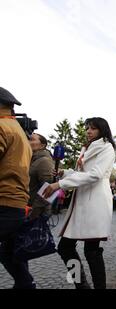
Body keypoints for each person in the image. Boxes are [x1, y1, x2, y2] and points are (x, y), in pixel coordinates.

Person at [43, 117, 116, 289]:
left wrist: (59, 184)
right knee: (65, 248)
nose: (88, 131)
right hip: (81, 201)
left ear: (102, 130)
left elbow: (95, 174)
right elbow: (80, 173)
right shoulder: (87, 148)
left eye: (93, 128)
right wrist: (64, 173)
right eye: (87, 128)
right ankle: (81, 284)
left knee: (92, 252)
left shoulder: (107, 147)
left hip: (96, 202)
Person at [0, 87, 35, 289]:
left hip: (4, 200)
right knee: (11, 252)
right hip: (15, 202)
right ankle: (26, 285)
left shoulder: (2, 127)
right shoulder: (19, 132)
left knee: (11, 252)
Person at [28, 133, 54, 220]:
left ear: (42, 145)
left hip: (35, 212)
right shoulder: (32, 159)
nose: (28, 141)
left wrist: (33, 213)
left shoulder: (44, 161)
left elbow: (47, 188)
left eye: (32, 139)